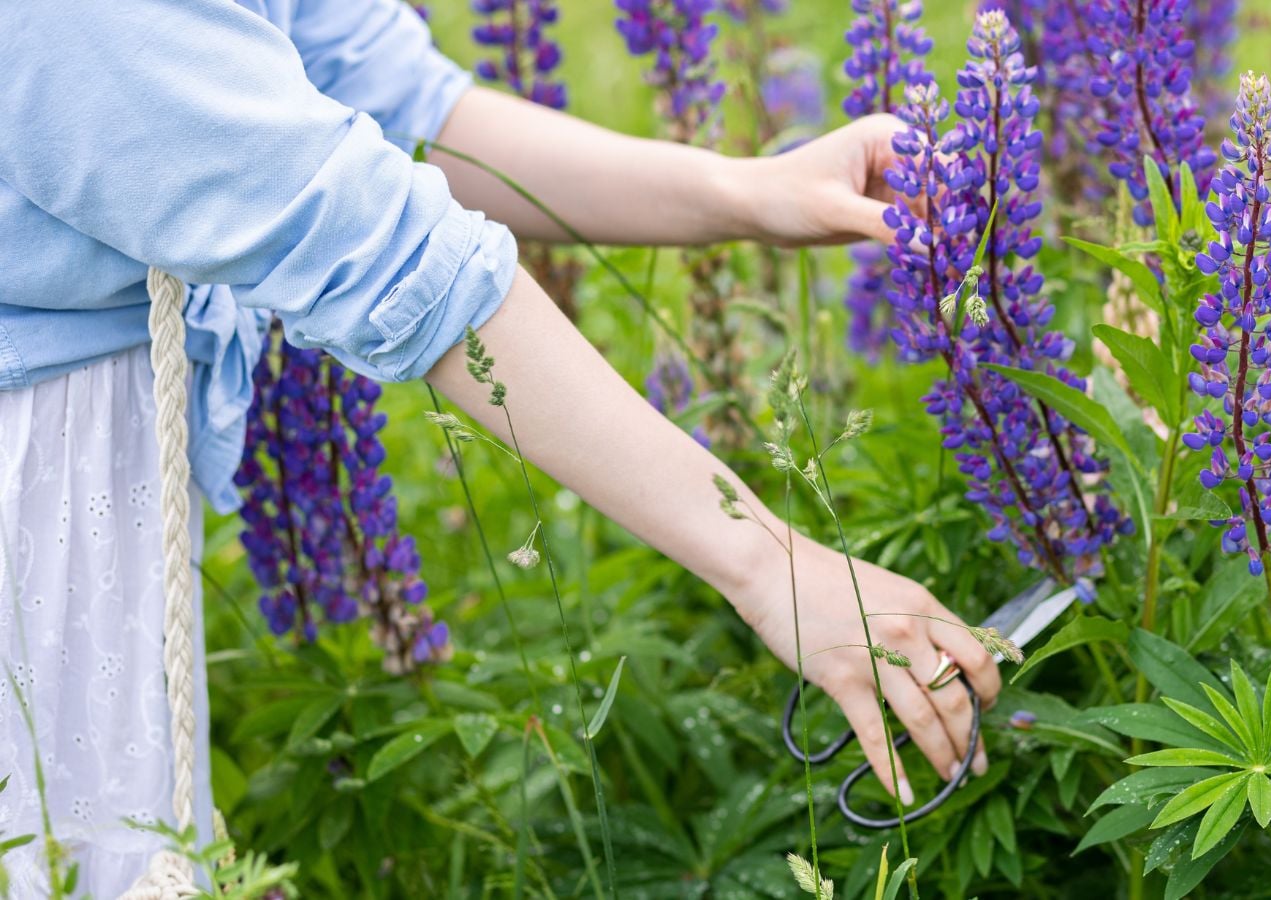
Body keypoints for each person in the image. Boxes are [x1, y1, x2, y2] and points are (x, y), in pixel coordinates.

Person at [0, 0, 1002, 893]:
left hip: (103, 455)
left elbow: (396, 104)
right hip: (32, 484)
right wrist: (772, 563)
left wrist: (749, 193)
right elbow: (370, 241)